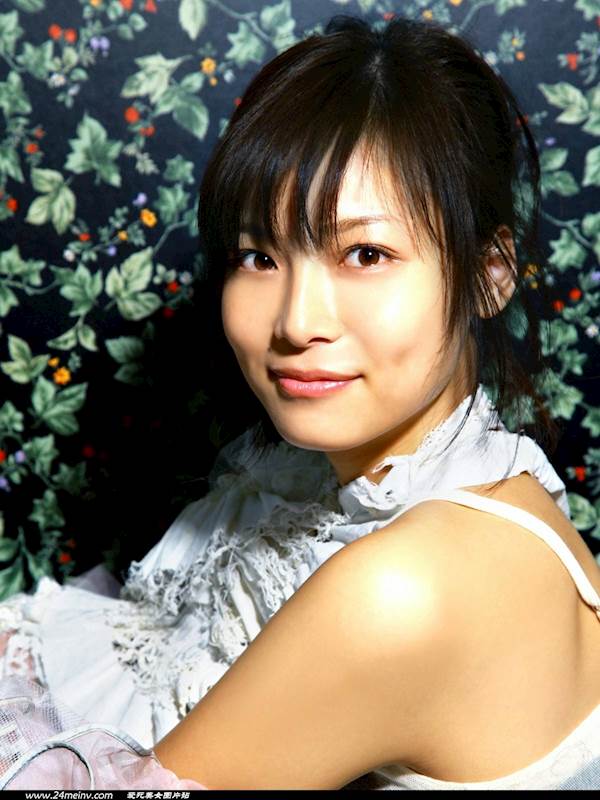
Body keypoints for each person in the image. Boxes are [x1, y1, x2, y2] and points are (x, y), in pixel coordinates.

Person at [0, 13, 599, 790]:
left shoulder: (405, 585)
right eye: (259, 255)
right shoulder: (463, 487)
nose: (296, 322)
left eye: (366, 254)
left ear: (490, 274)